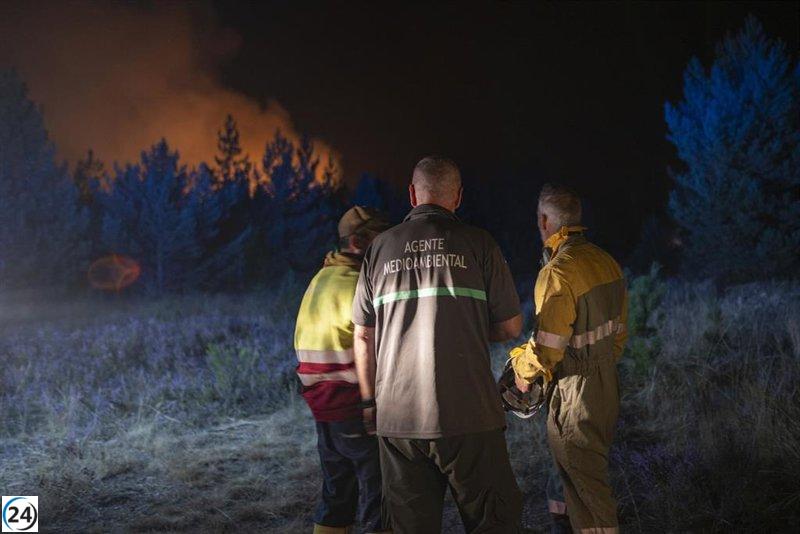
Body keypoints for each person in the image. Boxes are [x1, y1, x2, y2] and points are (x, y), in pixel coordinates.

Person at [352, 156, 524, 534]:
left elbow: (363, 334)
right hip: (470, 415)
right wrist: (467, 328)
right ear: (458, 197)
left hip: (399, 421)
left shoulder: (379, 249)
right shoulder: (479, 243)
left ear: (412, 194)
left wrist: (369, 403)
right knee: (493, 523)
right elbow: (511, 326)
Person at [511, 183, 628, 533]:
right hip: (606, 384)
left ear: (546, 221)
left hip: (575, 391)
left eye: (538, 219)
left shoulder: (558, 272)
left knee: (589, 492)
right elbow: (619, 335)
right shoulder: (606, 262)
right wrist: (599, 366)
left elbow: (547, 347)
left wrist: (522, 370)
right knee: (575, 479)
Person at [294, 206, 392, 534]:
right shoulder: (358, 284)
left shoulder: (322, 277)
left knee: (337, 496)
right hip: (352, 403)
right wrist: (370, 404)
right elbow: (368, 343)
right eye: (381, 240)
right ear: (358, 241)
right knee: (380, 494)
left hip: (323, 405)